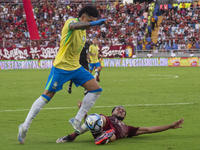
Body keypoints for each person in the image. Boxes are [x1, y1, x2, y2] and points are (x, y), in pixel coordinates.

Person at [18, 6, 108, 144]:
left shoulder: (84, 32)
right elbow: (74, 25)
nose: (91, 26)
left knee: (96, 90)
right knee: (46, 97)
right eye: (90, 21)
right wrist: (92, 23)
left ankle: (77, 120)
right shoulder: (71, 22)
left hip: (76, 67)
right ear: (83, 18)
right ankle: (25, 126)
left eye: (93, 22)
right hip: (61, 67)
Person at [56, 101, 184, 145]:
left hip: (111, 135)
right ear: (113, 112)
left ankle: (103, 138)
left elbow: (150, 129)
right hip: (102, 125)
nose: (121, 110)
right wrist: (83, 110)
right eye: (119, 109)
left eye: (123, 111)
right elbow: (89, 122)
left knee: (112, 135)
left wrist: (170, 126)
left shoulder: (128, 128)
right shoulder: (108, 118)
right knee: (96, 118)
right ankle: (71, 136)